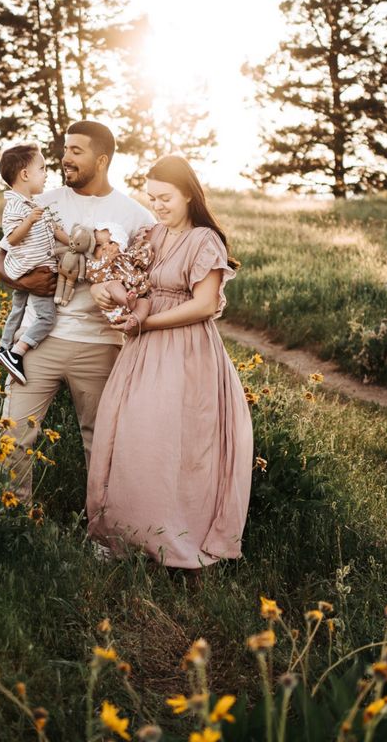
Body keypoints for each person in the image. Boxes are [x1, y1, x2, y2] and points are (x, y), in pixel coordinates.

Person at [86, 154, 253, 569]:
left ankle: (178, 535)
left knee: (179, 442)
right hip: (145, 347)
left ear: (187, 195)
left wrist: (150, 321)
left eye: (165, 197)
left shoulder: (205, 240)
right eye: (152, 198)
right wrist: (131, 310)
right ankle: (130, 535)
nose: (157, 205)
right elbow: (143, 290)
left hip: (187, 351)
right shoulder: (153, 236)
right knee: (136, 437)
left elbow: (204, 304)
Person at [0, 121, 154, 502]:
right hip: (37, 342)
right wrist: (23, 283)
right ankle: (10, 521)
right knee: (13, 434)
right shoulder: (41, 202)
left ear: (102, 159)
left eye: (75, 151)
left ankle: (106, 532)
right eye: (64, 150)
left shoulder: (135, 216)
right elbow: (0, 263)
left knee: (102, 445)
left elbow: (148, 281)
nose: (65, 158)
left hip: (99, 345)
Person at [0, 142, 68, 385]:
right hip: (33, 270)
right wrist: (29, 220)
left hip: (25, 268)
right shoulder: (15, 206)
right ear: (25, 175)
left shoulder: (34, 204)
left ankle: (3, 347)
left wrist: (74, 242)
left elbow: (54, 230)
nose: (46, 174)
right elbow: (12, 238)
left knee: (18, 310)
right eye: (42, 169)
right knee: (46, 318)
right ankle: (16, 353)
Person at [85, 223, 153, 330]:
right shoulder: (94, 264)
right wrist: (107, 260)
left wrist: (141, 259)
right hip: (116, 306)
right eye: (98, 245)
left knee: (145, 302)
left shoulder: (126, 255)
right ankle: (128, 301)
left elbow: (145, 246)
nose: (105, 247)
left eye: (111, 242)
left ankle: (135, 319)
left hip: (137, 295)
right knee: (113, 285)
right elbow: (94, 276)